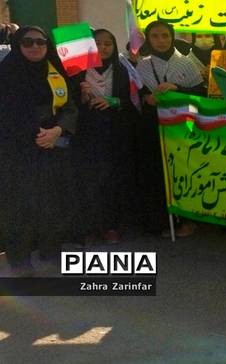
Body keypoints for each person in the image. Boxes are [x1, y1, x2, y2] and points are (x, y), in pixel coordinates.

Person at [0, 26, 78, 275]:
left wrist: (57, 131)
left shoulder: (55, 71)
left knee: (52, 203)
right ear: (17, 45)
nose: (35, 46)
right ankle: (20, 260)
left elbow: (69, 107)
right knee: (18, 206)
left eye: (40, 42)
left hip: (52, 147)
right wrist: (37, 134)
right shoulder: (6, 73)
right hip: (16, 152)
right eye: (28, 42)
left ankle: (51, 253)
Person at [136, 20, 205, 237]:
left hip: (183, 128)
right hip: (154, 128)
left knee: (183, 172)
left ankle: (188, 221)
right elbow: (136, 95)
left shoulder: (186, 63)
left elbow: (201, 93)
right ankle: (161, 221)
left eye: (165, 35)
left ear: (172, 37)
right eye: (155, 36)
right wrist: (147, 98)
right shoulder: (142, 66)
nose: (161, 40)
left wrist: (177, 88)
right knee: (158, 173)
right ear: (148, 39)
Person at [74, 29, 140, 245]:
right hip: (86, 134)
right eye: (97, 43)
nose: (102, 48)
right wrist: (81, 96)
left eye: (107, 43)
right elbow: (66, 104)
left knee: (112, 180)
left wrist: (114, 101)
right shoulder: (77, 72)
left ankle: (111, 227)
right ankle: (90, 226)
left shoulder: (123, 70)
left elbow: (134, 101)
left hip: (115, 134)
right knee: (88, 179)